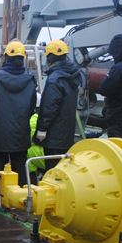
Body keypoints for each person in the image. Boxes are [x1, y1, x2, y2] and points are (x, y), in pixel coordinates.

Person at [0, 40, 37, 186]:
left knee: (0, 165)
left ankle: (0, 194)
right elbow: (32, 107)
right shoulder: (30, 80)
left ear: (6, 58)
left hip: (0, 132)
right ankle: (23, 195)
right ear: (23, 58)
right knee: (20, 165)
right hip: (21, 131)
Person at [35, 39, 81, 171]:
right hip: (67, 134)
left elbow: (49, 107)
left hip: (53, 136)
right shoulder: (73, 76)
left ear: (50, 57)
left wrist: (42, 129)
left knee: (53, 170)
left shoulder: (55, 79)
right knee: (63, 169)